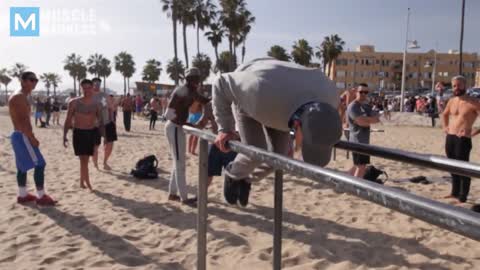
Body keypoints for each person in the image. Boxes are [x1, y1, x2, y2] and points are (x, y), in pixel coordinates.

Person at [213, 58, 341, 207]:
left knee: (279, 158)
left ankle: (245, 179)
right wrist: (225, 128)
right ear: (297, 125)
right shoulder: (258, 89)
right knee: (255, 152)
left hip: (282, 103)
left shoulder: (332, 96)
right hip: (253, 100)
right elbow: (220, 83)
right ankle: (232, 174)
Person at [8, 71, 56, 205]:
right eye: (31, 80)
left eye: (36, 80)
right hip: (22, 135)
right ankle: (41, 197)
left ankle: (22, 195)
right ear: (22, 81)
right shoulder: (19, 97)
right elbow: (24, 122)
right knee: (40, 163)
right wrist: (32, 138)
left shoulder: (21, 95)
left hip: (18, 135)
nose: (34, 82)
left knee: (21, 166)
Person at [164, 67, 210, 206]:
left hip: (178, 128)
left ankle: (173, 194)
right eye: (194, 79)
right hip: (175, 128)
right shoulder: (181, 91)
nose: (196, 82)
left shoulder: (191, 91)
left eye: (197, 79)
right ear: (189, 80)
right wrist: (185, 123)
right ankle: (184, 198)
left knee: (178, 161)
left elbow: (205, 100)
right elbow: (168, 114)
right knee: (180, 163)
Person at [441, 75, 480, 203]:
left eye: (459, 85)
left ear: (465, 85)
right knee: (452, 166)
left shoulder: (473, 102)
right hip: (450, 137)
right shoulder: (452, 100)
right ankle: (454, 192)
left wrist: (474, 131)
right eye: (454, 86)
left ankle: (463, 196)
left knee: (463, 168)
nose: (456, 88)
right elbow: (444, 114)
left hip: (463, 139)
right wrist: (445, 126)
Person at [63, 79, 101, 191]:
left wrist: (103, 135)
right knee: (83, 160)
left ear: (93, 88)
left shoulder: (96, 103)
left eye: (89, 88)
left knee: (85, 159)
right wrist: (64, 135)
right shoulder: (74, 102)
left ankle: (81, 182)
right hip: (79, 133)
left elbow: (100, 120)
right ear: (81, 88)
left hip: (91, 132)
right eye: (84, 88)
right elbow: (68, 119)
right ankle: (88, 183)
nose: (87, 90)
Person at [346, 83, 381, 178]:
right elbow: (361, 122)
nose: (364, 94)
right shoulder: (353, 106)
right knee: (361, 167)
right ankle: (355, 186)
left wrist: (368, 120)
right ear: (356, 92)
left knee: (357, 166)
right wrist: (370, 120)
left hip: (363, 141)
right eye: (361, 92)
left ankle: (344, 180)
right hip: (357, 141)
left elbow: (377, 117)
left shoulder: (366, 106)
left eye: (366, 92)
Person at [91, 78, 117, 170]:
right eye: (95, 84)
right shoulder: (88, 96)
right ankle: (95, 164)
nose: (97, 85)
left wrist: (112, 120)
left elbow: (111, 108)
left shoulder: (104, 95)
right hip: (93, 124)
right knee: (95, 145)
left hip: (107, 122)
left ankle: (105, 162)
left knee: (110, 143)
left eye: (99, 84)